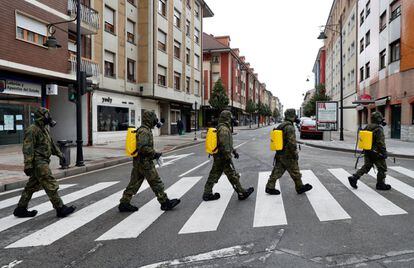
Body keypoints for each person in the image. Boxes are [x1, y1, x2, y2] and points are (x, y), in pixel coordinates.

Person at [13, 108, 76, 218]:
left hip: (43, 161)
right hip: (38, 162)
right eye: (47, 115)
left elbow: (51, 145)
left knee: (31, 186)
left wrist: (60, 154)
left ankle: (21, 208)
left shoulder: (44, 129)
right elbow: (28, 148)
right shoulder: (32, 130)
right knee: (50, 183)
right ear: (41, 116)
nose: (49, 117)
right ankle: (60, 208)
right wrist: (28, 164)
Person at [119, 111, 180, 212]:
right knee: (156, 182)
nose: (155, 121)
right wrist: (155, 154)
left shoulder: (144, 129)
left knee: (134, 184)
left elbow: (143, 146)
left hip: (139, 162)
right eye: (154, 118)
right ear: (149, 119)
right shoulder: (144, 131)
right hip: (145, 163)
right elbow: (143, 148)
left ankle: (124, 203)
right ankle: (165, 202)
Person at [203, 110, 254, 201]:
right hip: (223, 157)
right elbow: (224, 144)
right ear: (227, 118)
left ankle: (207, 193)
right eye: (230, 117)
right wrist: (228, 156)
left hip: (220, 156)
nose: (231, 119)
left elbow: (227, 144)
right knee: (232, 174)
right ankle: (241, 192)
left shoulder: (222, 127)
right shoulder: (224, 129)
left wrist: (234, 151)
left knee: (215, 174)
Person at [265, 109, 313, 195]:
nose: (296, 117)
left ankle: (270, 186)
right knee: (295, 171)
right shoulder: (289, 127)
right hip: (288, 154)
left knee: (277, 170)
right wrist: (295, 154)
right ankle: (299, 187)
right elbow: (291, 142)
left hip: (280, 153)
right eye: (294, 115)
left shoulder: (282, 125)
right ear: (292, 116)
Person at [348, 112, 391, 190]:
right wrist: (384, 152)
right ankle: (380, 184)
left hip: (367, 150)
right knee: (382, 168)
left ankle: (354, 177)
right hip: (377, 152)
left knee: (367, 166)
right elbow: (380, 142)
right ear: (378, 119)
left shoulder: (367, 127)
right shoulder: (379, 129)